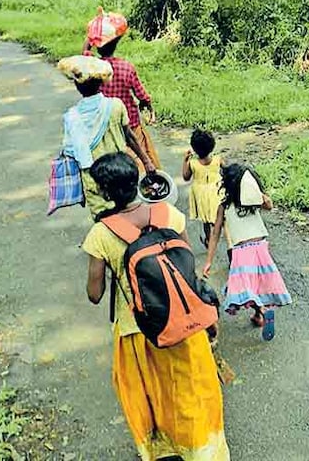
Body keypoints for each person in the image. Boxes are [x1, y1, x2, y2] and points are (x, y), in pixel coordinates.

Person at [82, 153, 229, 461]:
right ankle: (202, 450)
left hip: (138, 330)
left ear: (106, 193)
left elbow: (94, 294)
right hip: (183, 322)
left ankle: (161, 449)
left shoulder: (101, 234)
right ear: (137, 181)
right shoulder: (169, 215)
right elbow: (187, 268)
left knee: (150, 395)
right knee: (190, 391)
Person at [203, 164, 292, 341]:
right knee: (259, 285)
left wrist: (209, 260)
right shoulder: (252, 202)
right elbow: (269, 205)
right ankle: (260, 315)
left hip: (241, 251)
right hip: (260, 246)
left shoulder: (224, 206)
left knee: (246, 288)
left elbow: (215, 234)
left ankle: (262, 311)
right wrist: (261, 195)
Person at [60, 62, 157, 221]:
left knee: (105, 225)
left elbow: (71, 152)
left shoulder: (72, 116)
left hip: (95, 182)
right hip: (122, 174)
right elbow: (130, 136)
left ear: (77, 86)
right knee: (132, 220)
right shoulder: (115, 106)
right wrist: (146, 162)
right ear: (101, 84)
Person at [82, 8, 162, 172]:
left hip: (105, 124)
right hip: (130, 122)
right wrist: (148, 106)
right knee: (141, 155)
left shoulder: (94, 67)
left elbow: (85, 53)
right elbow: (142, 95)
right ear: (117, 42)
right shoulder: (126, 67)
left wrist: (91, 37)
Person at [183, 129, 224, 247]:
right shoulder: (218, 160)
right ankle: (221, 235)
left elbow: (186, 177)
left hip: (201, 195)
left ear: (194, 148)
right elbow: (227, 172)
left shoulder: (193, 163)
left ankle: (208, 240)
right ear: (212, 146)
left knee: (205, 221)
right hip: (216, 192)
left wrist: (185, 161)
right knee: (219, 217)